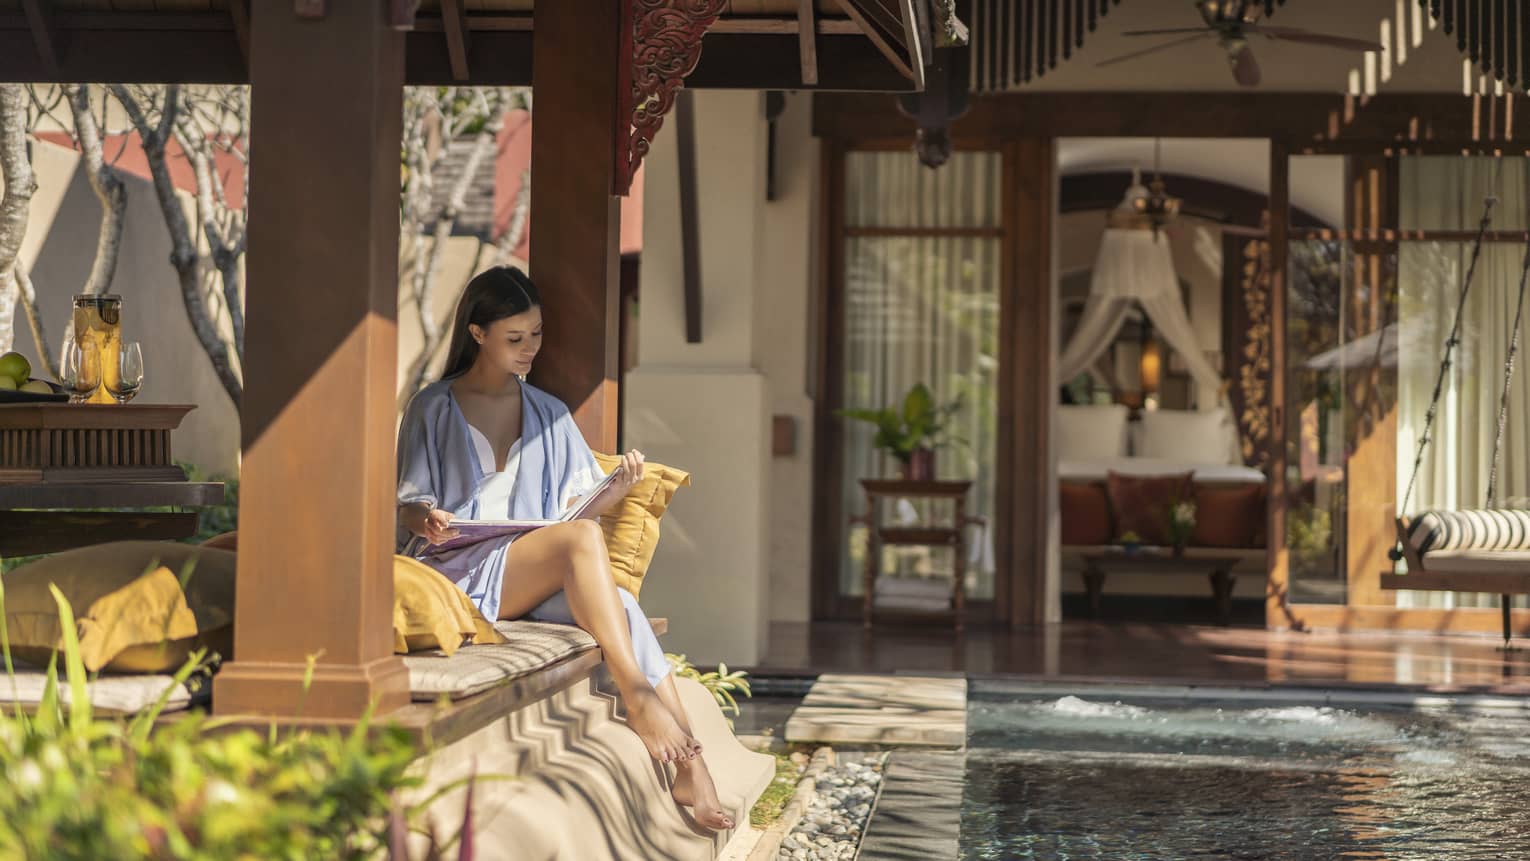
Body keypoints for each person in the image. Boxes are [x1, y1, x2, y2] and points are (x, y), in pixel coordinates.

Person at [396, 266, 734, 831]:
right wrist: (425, 517)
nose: (530, 349)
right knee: (582, 547)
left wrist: (616, 492)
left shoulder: (549, 412)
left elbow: (574, 515)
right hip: (455, 571)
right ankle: (637, 696)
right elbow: (408, 500)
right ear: (477, 333)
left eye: (537, 334)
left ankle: (691, 765)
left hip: (524, 572)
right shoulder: (432, 407)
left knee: (622, 608)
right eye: (515, 338)